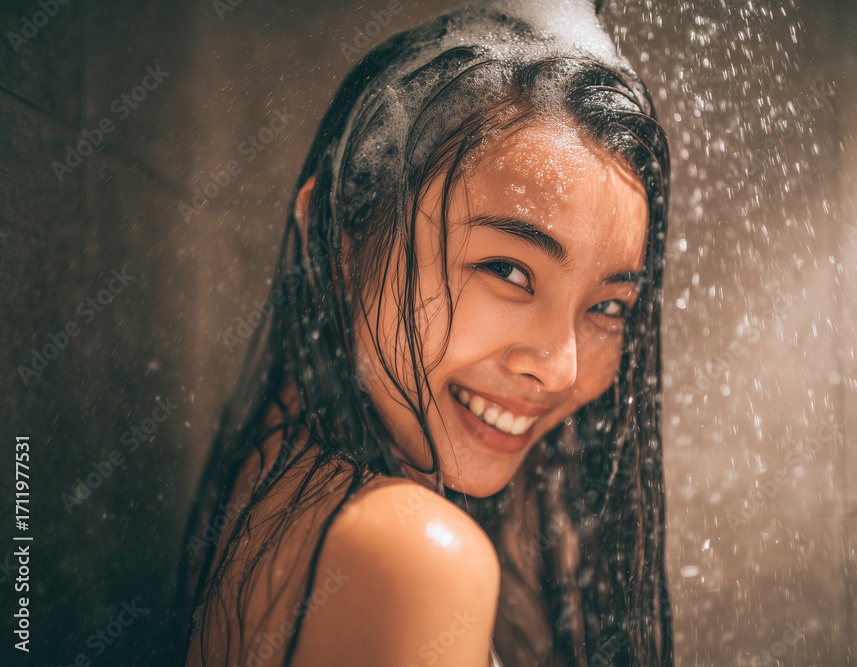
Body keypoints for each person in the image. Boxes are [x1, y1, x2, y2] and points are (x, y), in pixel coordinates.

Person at [178, 1, 673, 665]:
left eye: (609, 307)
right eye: (508, 269)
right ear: (334, 237)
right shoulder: (417, 555)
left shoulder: (273, 465)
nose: (559, 368)